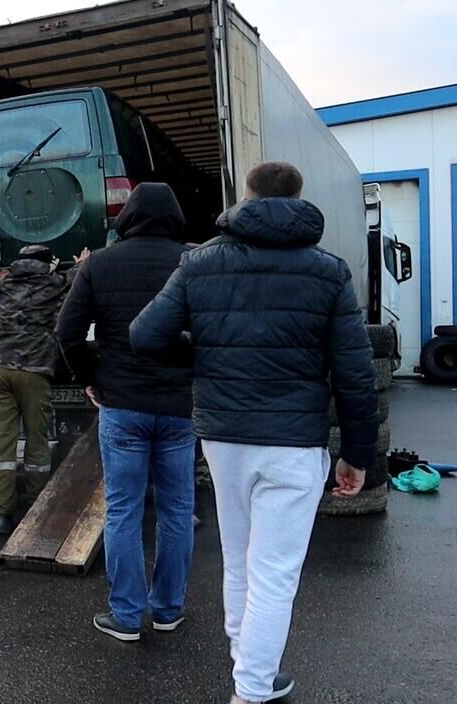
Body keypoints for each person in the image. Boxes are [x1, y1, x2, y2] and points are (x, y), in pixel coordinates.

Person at [130, 162, 378, 704]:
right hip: (293, 444)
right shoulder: (328, 271)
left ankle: (250, 666)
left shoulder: (200, 264)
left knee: (240, 557)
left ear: (247, 196)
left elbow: (145, 335)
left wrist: (205, 347)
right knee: (274, 573)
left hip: (224, 437)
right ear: (298, 197)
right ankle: (250, 689)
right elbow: (356, 373)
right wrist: (359, 453)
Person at [55, 183, 195, 642]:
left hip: (122, 405)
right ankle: (169, 610)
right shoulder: (194, 261)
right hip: (179, 407)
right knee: (177, 509)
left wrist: (91, 378)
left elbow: (68, 331)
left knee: (123, 510)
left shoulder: (99, 263)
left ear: (128, 217)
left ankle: (128, 616)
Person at [0, 244, 80, 536]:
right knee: (37, 441)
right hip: (34, 368)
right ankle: (35, 506)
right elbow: (76, 281)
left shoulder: (5, 282)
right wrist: (80, 263)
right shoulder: (53, 283)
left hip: (0, 368)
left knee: (2, 443)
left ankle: (3, 515)